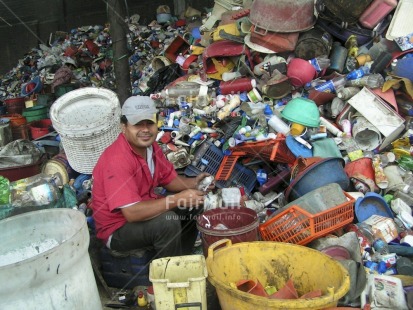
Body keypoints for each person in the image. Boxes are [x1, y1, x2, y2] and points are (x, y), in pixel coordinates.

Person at [91, 95, 214, 258]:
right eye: (137, 125)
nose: (145, 130)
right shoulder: (117, 159)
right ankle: (169, 275)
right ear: (124, 127)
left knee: (194, 203)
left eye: (149, 123)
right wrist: (177, 199)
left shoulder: (151, 147)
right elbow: (132, 213)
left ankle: (182, 259)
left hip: (143, 207)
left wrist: (194, 184)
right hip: (117, 229)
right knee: (166, 222)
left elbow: (169, 180)